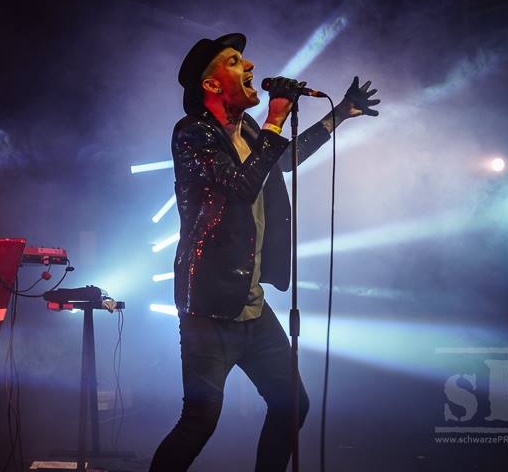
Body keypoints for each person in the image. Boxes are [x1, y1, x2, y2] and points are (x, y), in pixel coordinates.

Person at [149, 33, 379, 472]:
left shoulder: (251, 130)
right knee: (200, 421)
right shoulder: (193, 133)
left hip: (251, 304)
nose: (250, 65)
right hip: (209, 308)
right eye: (235, 61)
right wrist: (274, 118)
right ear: (212, 84)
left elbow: (284, 159)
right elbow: (238, 187)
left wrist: (339, 115)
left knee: (292, 405)